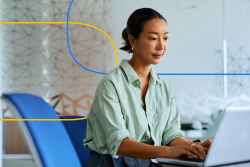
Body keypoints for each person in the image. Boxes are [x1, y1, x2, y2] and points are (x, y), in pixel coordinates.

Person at [83, 8, 212, 167]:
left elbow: (170, 134)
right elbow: (119, 143)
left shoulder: (164, 87)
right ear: (133, 41)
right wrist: (168, 151)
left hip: (146, 163)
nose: (161, 46)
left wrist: (193, 147)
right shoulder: (111, 84)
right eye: (153, 38)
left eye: (165, 38)